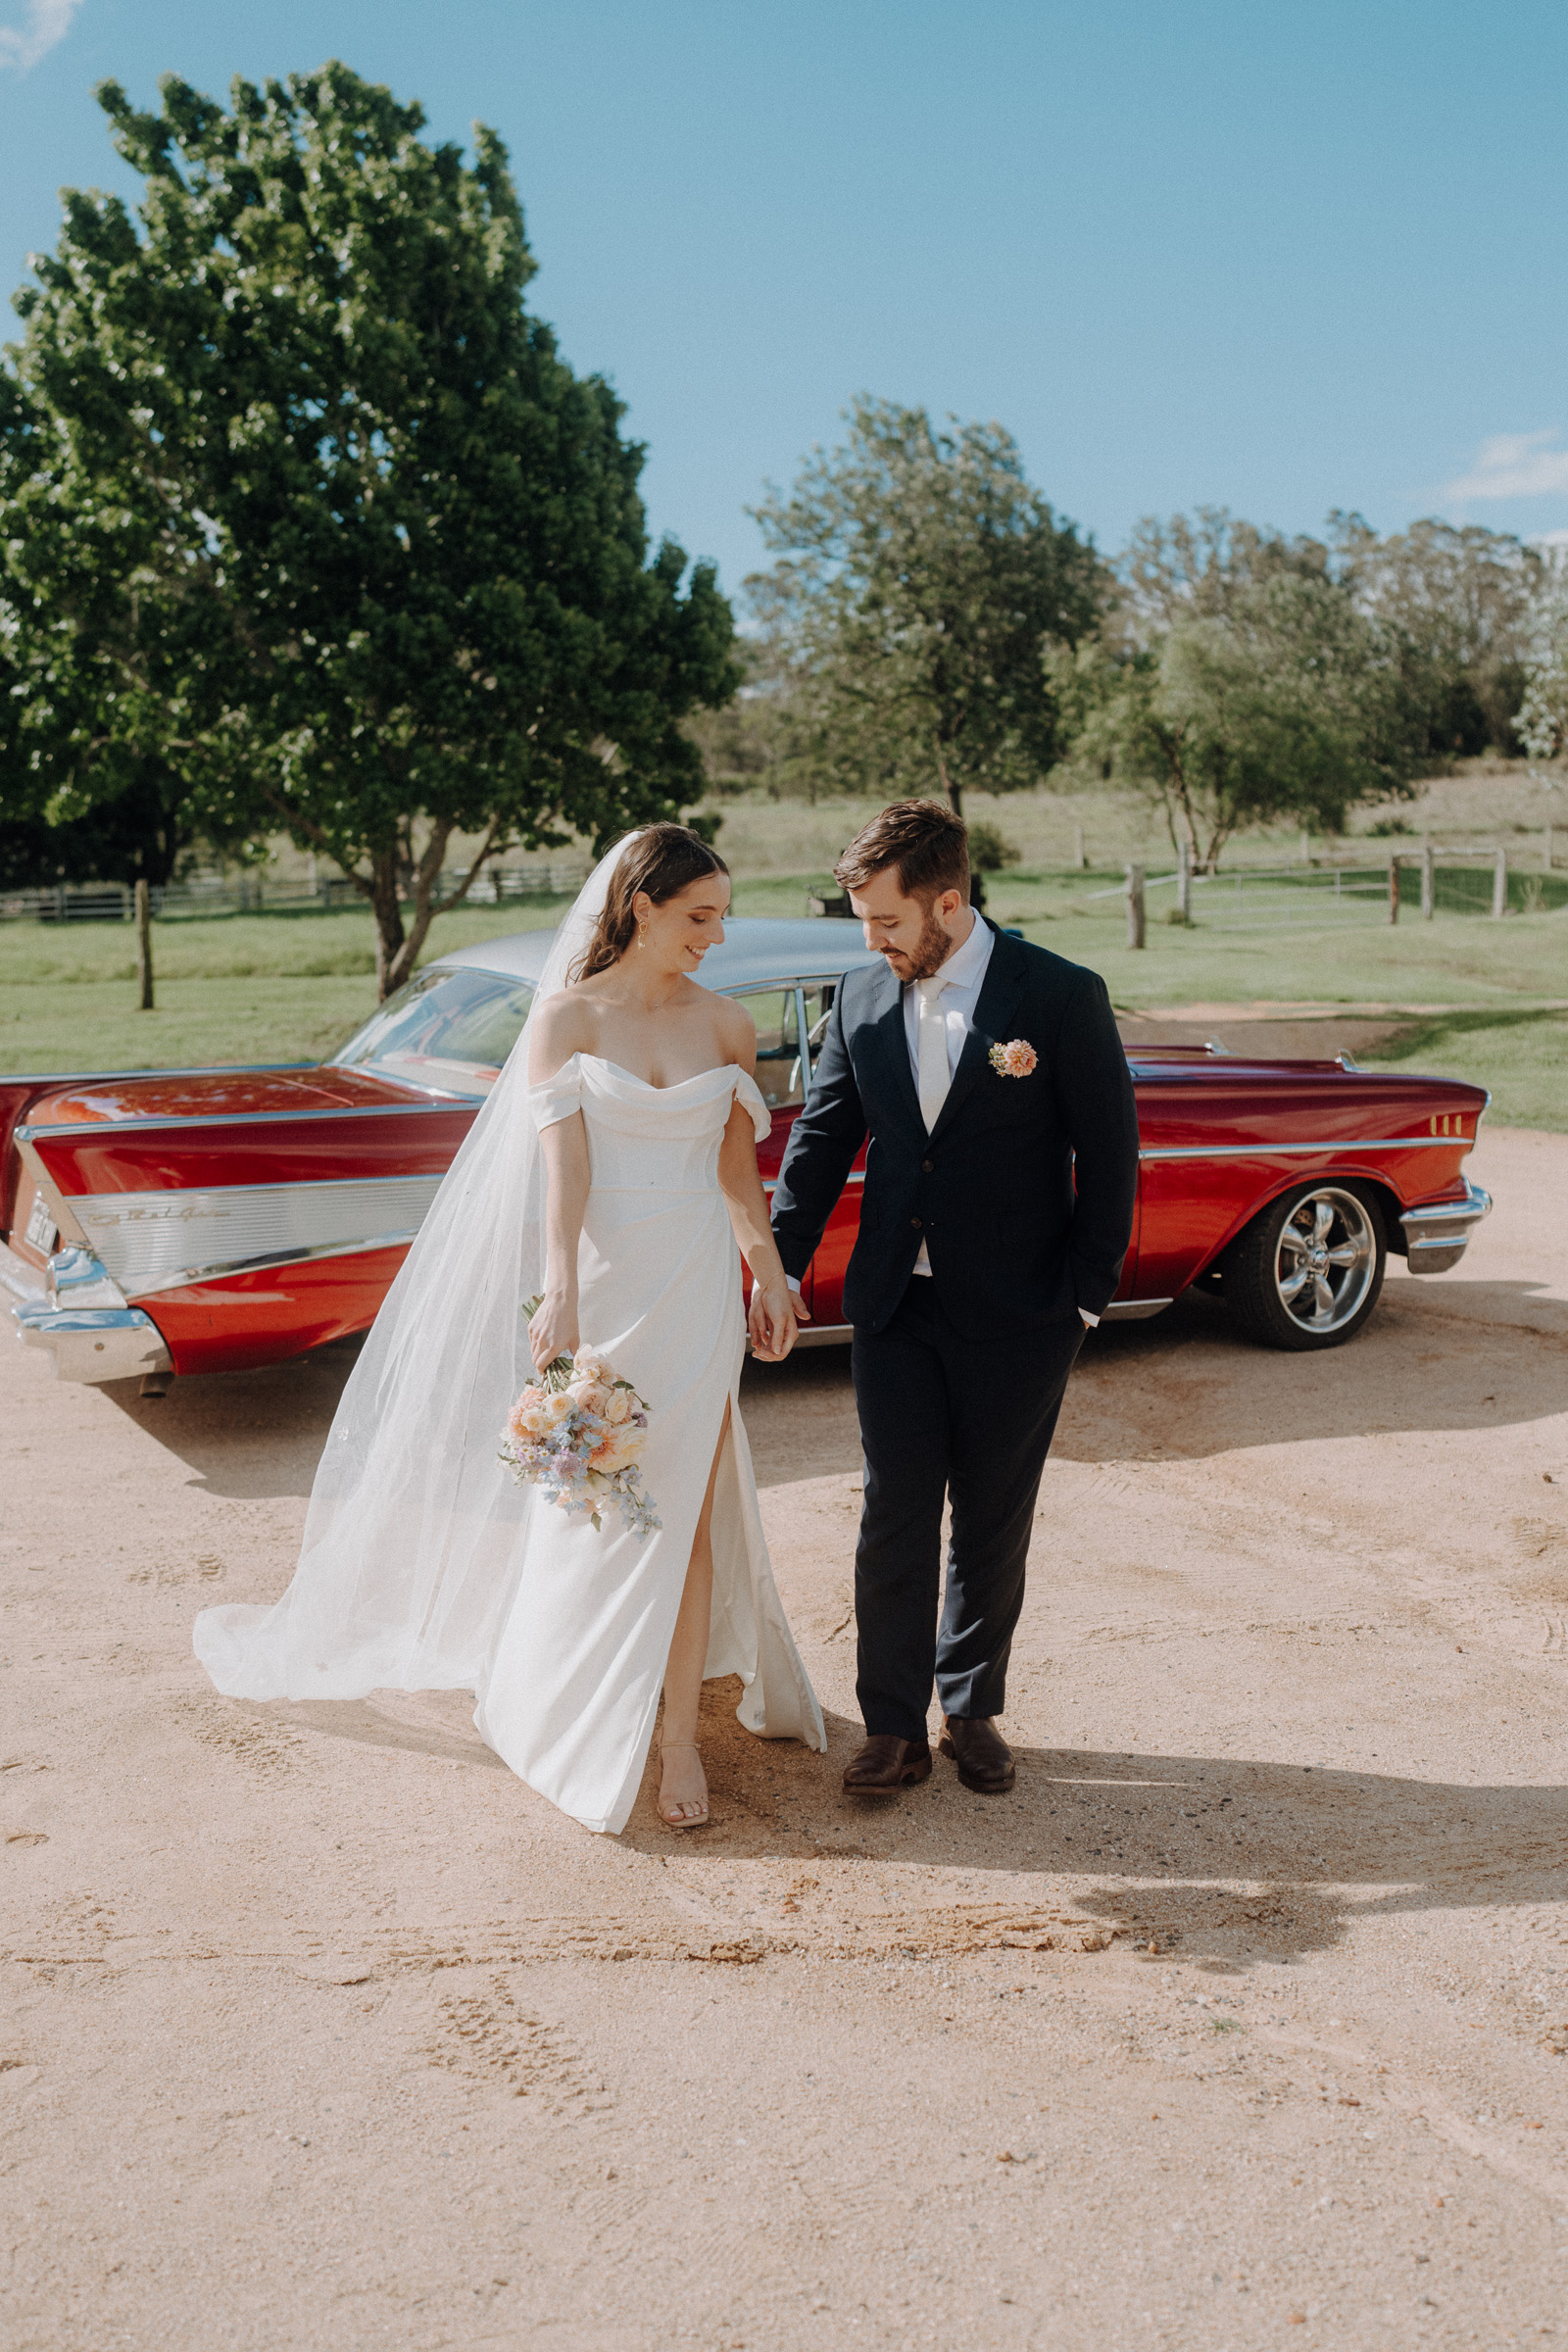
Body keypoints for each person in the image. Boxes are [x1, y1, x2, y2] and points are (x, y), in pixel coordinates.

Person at [195, 827, 825, 1835]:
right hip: (611, 1288)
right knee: (598, 1502)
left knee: (693, 1513)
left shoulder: (726, 1027)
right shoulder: (566, 1018)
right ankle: (559, 1692)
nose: (717, 933)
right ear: (640, 908)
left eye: (721, 914)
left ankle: (674, 1741)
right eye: (699, 914)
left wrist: (767, 1274)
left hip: (698, 1285)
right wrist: (561, 1288)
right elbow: (560, 1170)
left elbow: (735, 1174)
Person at [771, 800, 1139, 1798]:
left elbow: (1109, 1155)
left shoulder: (1057, 996)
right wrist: (773, 1266)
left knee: (990, 1517)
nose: (873, 941)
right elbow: (819, 1145)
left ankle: (970, 1708)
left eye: (888, 922)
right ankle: (891, 1727)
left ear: (947, 899)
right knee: (893, 1511)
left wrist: (1083, 1299)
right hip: (895, 1302)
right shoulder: (856, 998)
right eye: (862, 924)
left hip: (1024, 1310)